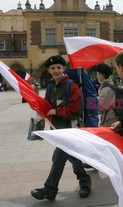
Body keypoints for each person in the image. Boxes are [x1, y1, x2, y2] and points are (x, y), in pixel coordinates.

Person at [31, 55, 91, 201]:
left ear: (64, 68)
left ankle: (49, 190)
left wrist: (57, 111)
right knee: (74, 158)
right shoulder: (51, 87)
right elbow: (47, 106)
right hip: (58, 131)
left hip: (71, 130)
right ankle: (85, 182)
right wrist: (39, 109)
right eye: (53, 68)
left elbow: (76, 109)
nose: (56, 70)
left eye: (59, 67)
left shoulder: (72, 86)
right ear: (48, 70)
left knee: (58, 159)